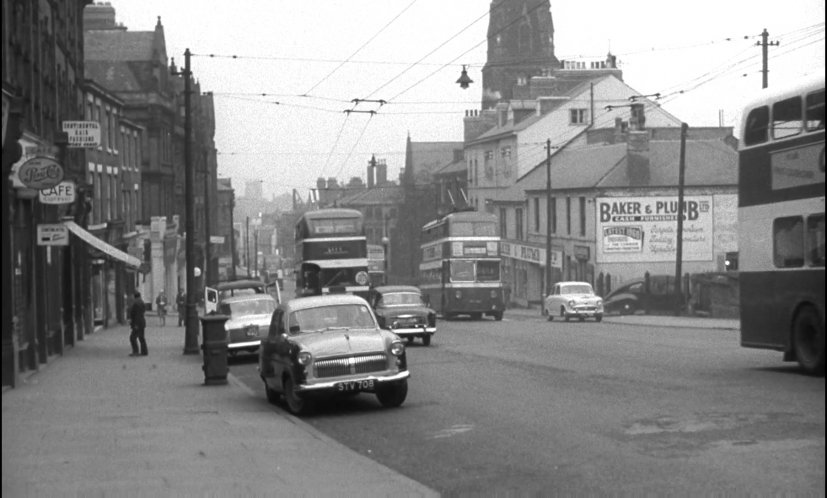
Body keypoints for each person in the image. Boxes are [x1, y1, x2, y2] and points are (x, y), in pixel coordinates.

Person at [128, 292, 148, 356]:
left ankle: (135, 351)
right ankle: (144, 351)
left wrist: (135, 324)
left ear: (134, 296)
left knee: (132, 337)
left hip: (137, 323)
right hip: (141, 322)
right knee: (141, 337)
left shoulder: (136, 303)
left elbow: (136, 315)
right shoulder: (141, 302)